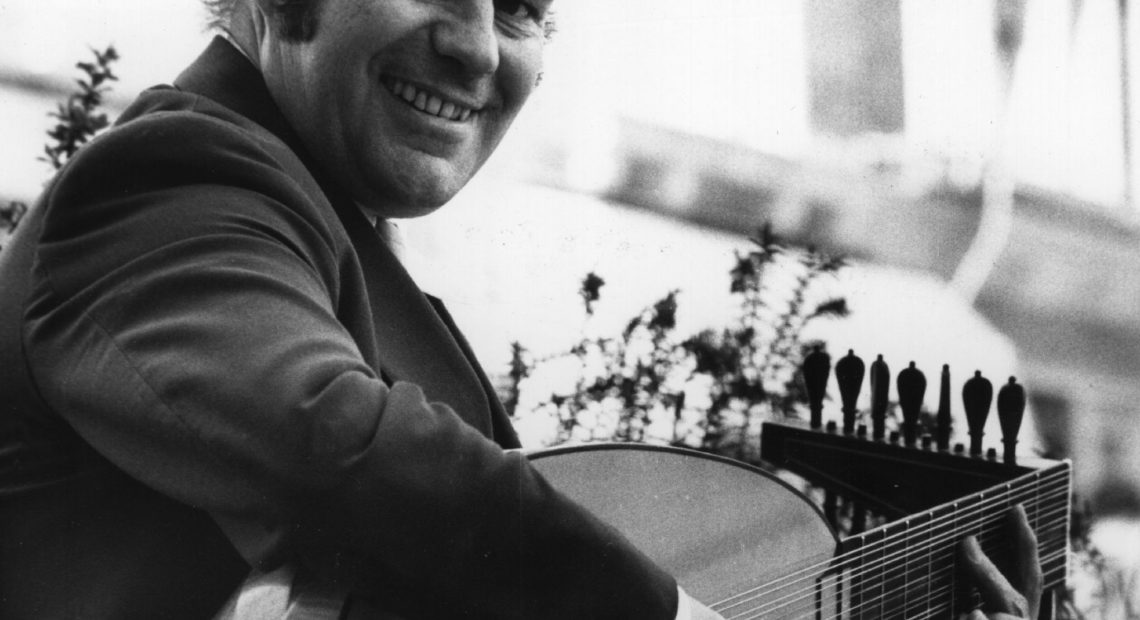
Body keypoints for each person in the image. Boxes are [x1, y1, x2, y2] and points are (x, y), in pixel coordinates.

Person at [0, 0, 1041, 618]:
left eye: (525, 7)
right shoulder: (179, 179)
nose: (480, 48)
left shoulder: (337, 243)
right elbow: (333, 436)